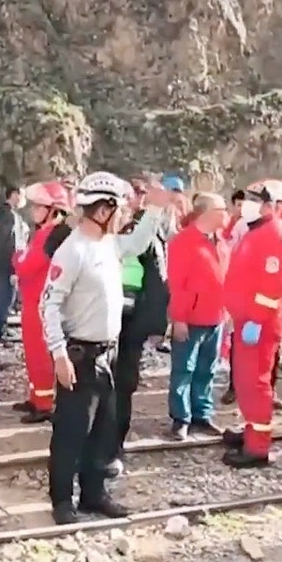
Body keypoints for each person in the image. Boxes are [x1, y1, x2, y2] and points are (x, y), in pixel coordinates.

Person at [41, 172, 136, 525]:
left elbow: (137, 243)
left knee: (103, 429)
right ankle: (62, 501)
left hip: (107, 353)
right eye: (119, 209)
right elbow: (48, 305)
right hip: (80, 355)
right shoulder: (73, 250)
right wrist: (59, 353)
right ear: (102, 210)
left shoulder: (106, 245)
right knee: (71, 431)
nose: (124, 215)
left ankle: (94, 494)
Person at [222, 180, 282, 468]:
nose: (248, 203)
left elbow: (272, 285)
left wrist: (255, 319)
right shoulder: (260, 231)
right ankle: (250, 431)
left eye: (255, 199)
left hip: (258, 324)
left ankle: (257, 447)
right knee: (246, 382)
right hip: (247, 320)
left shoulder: (273, 234)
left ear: (272, 205)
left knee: (255, 383)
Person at [107, 182, 172, 474]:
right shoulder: (104, 232)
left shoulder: (147, 232)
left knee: (122, 386)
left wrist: (157, 324)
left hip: (130, 322)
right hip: (102, 319)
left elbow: (157, 280)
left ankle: (112, 447)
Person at [165, 193, 231, 440]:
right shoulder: (183, 242)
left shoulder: (220, 242)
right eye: (221, 208)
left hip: (216, 317)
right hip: (191, 318)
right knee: (184, 369)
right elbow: (177, 283)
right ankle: (181, 418)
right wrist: (179, 318)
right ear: (206, 213)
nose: (226, 213)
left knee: (207, 369)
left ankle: (201, 415)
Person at [12, 180, 72, 421]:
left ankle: (44, 404)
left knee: (39, 354)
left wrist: (17, 258)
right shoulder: (45, 234)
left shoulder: (50, 236)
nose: (34, 210)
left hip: (40, 304)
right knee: (32, 352)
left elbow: (26, 266)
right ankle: (37, 397)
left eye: (40, 206)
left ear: (53, 210)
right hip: (33, 301)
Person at [0, 184, 29, 345]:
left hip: (2, 263)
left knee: (5, 297)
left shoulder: (3, 214)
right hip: (7, 264)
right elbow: (10, 243)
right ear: (14, 194)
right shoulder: (8, 216)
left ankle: (0, 329)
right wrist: (13, 268)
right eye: (21, 195)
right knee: (6, 298)